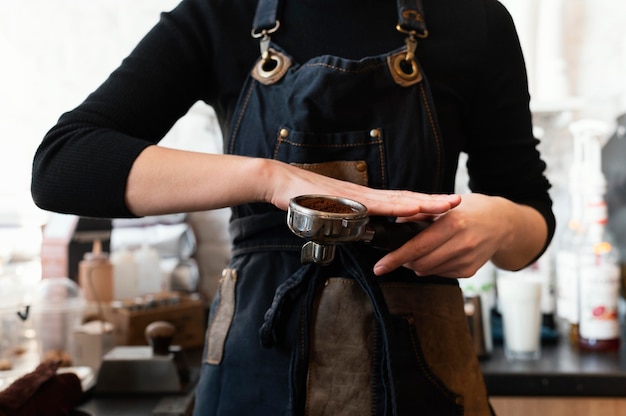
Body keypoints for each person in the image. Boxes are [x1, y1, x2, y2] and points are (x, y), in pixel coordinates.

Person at [31, 0, 555, 414]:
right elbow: (62, 166)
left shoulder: (476, 19)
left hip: (421, 382)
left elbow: (530, 215)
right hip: (250, 373)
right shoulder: (222, 13)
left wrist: (502, 222)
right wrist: (270, 177)